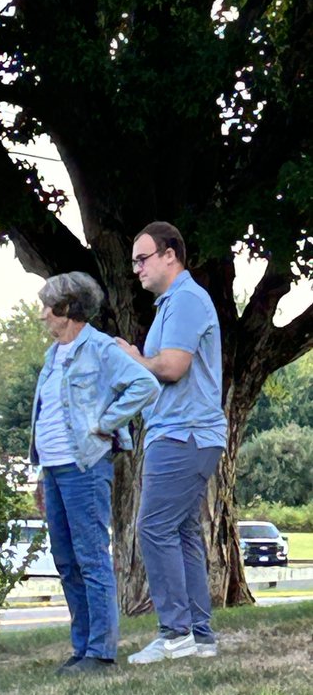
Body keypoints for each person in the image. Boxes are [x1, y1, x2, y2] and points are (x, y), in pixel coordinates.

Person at [30, 273, 159, 674]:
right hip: (54, 469)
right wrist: (40, 473)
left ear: (67, 309)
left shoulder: (99, 348)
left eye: (47, 307)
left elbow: (145, 384)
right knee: (66, 560)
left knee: (90, 558)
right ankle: (82, 646)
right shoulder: (55, 354)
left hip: (84, 467)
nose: (42, 315)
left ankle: (101, 652)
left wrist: (108, 422)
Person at [117, 221, 227, 664]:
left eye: (142, 259)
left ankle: (175, 633)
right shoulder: (172, 304)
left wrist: (134, 359)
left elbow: (173, 366)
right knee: (181, 532)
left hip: (184, 434)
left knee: (153, 527)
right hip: (184, 433)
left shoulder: (185, 300)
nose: (137, 269)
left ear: (170, 255)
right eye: (133, 263)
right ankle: (199, 636)